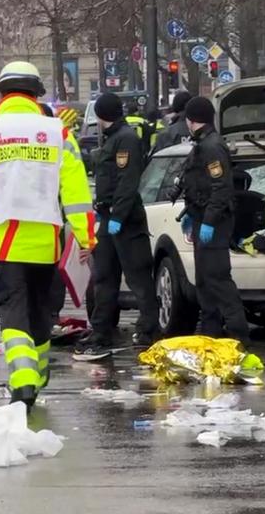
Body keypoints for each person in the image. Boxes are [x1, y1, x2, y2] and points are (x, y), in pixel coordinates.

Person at [0, 61, 95, 410]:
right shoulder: (58, 133)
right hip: (47, 242)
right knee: (40, 312)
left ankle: (24, 380)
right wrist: (87, 238)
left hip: (4, 241)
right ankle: (39, 373)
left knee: (12, 314)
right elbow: (76, 193)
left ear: (0, 94)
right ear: (36, 94)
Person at [73, 93, 161, 362]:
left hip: (126, 222)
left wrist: (118, 217)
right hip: (109, 218)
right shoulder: (113, 138)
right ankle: (102, 329)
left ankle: (149, 330)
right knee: (104, 277)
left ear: (102, 115)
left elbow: (127, 181)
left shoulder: (126, 139)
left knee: (138, 278)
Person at [180, 96, 249, 343]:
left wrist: (209, 221)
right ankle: (210, 335)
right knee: (204, 281)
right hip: (202, 218)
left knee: (218, 279)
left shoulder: (211, 146)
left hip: (214, 222)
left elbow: (221, 188)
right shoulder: (203, 144)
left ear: (192, 120)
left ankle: (239, 335)